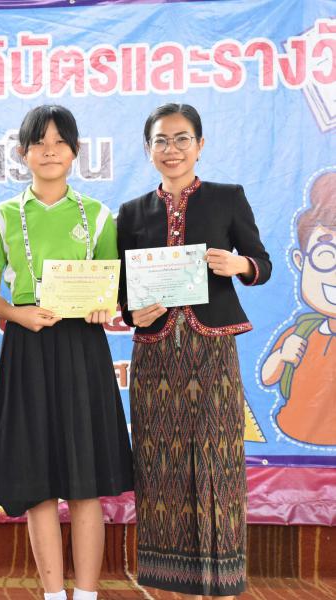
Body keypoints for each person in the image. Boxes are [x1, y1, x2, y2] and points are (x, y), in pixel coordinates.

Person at [116, 103, 271, 599]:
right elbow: (123, 291)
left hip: (212, 348)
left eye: (182, 139)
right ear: (148, 149)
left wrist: (239, 265)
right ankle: (167, 581)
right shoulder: (132, 212)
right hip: (154, 352)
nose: (172, 149)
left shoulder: (228, 198)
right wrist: (132, 313)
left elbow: (262, 262)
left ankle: (220, 582)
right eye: (161, 140)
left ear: (200, 145)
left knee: (217, 460)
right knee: (158, 461)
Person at [0, 104, 133, 600]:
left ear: (75, 151)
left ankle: (85, 593)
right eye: (38, 143)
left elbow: (113, 287)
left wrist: (104, 304)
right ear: (22, 153)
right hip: (28, 345)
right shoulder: (2, 217)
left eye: (59, 142)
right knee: (38, 482)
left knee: (85, 483)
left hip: (82, 348)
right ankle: (51, 593)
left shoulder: (99, 215)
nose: (49, 151)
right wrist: (17, 314)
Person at [261, 171, 336, 445]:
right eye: (326, 257)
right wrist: (282, 355)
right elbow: (268, 378)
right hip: (291, 427)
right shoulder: (303, 330)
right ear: (300, 260)